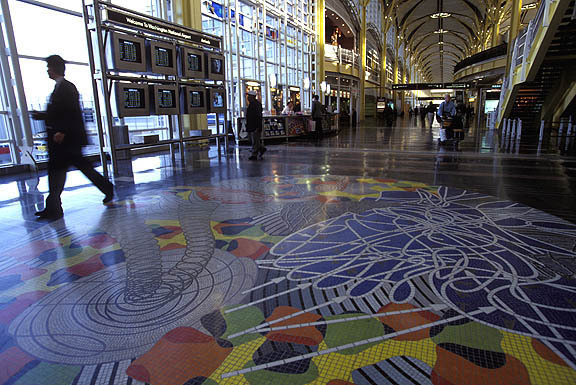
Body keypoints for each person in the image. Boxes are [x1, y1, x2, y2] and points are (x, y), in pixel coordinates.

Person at [31, 55, 113, 220]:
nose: (47, 71)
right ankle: (54, 207)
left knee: (69, 170)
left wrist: (62, 131)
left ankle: (106, 188)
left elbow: (71, 113)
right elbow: (60, 113)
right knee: (60, 172)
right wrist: (42, 115)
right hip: (63, 141)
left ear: (54, 68)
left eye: (49, 67)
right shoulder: (61, 87)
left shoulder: (67, 88)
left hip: (66, 140)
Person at [245, 91, 266, 160]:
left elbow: (258, 117)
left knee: (255, 140)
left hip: (255, 125)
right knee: (253, 140)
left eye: (249, 96)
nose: (247, 98)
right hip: (251, 125)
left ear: (252, 97)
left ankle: (254, 154)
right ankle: (261, 148)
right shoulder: (251, 104)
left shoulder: (256, 105)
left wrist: (258, 127)